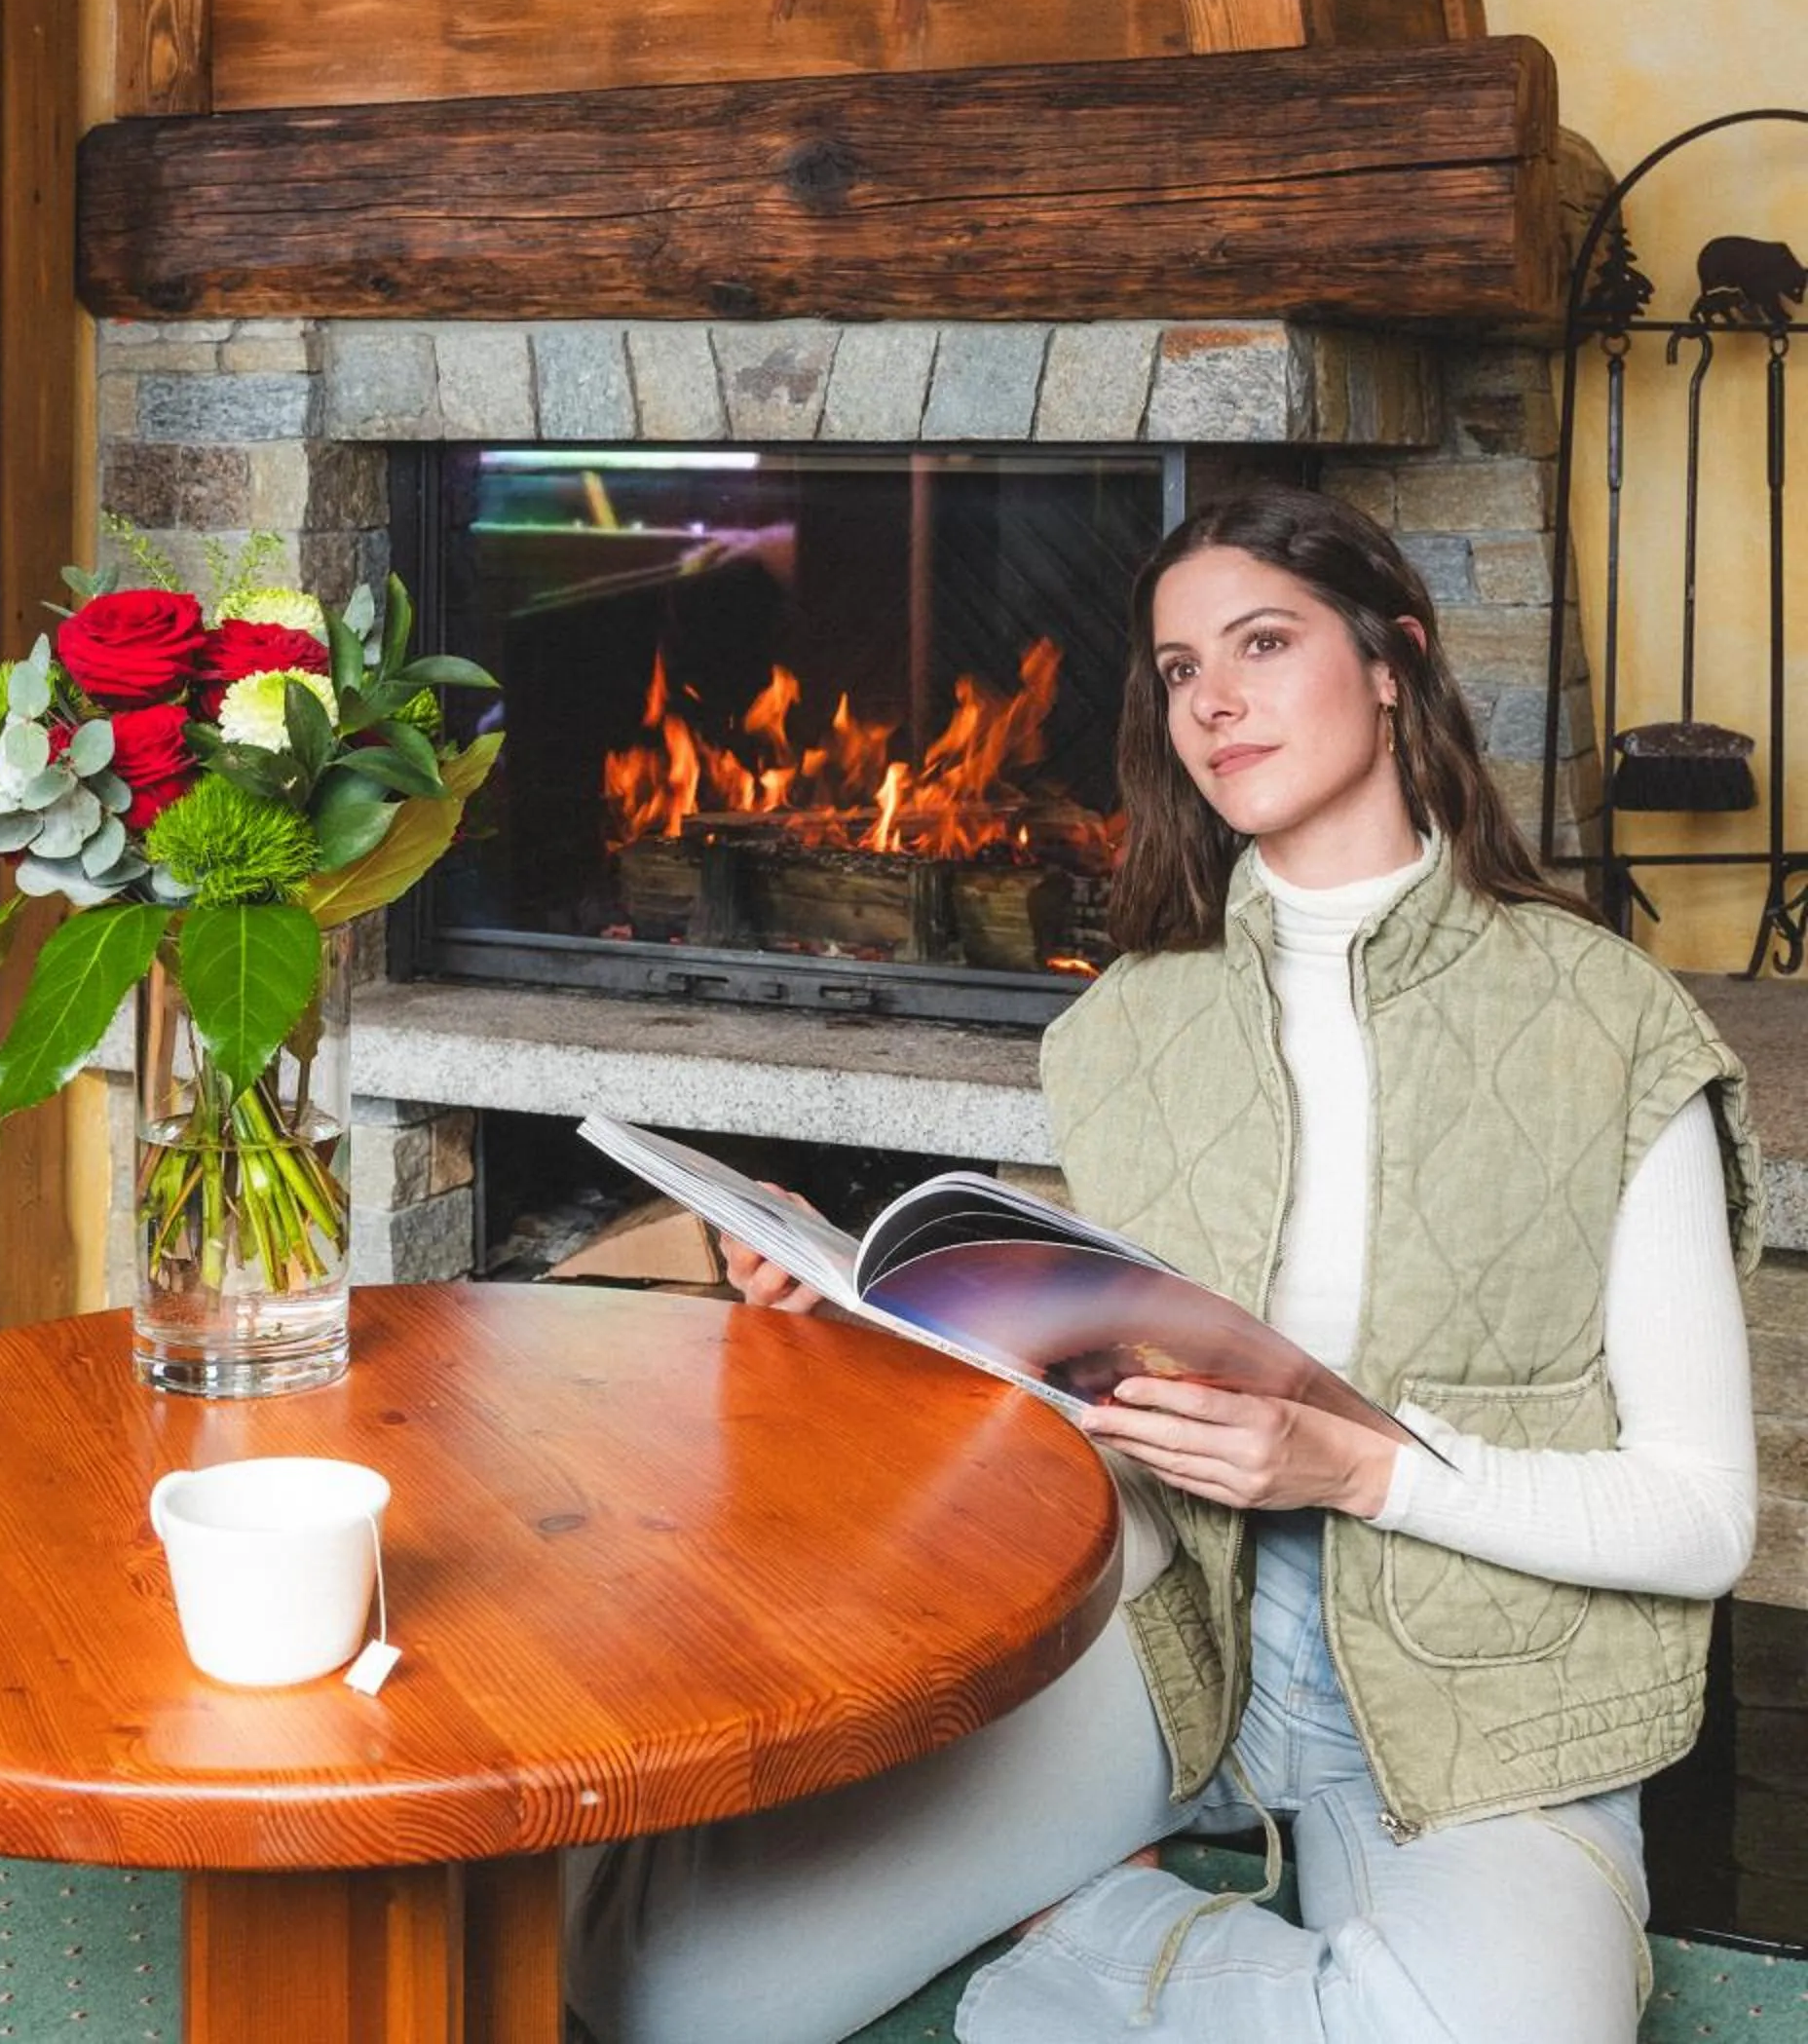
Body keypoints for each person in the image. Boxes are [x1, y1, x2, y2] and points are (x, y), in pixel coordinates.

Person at [566, 488, 1761, 2044]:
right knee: (667, 1995)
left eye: (1263, 643)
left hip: (1484, 1688)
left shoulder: (1611, 1028)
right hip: (1158, 1640)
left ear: (1392, 661)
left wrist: (1358, 1469)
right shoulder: (1127, 1024)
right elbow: (1085, 1383)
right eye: (1182, 669)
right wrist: (854, 1292)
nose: (1216, 699)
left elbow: (1702, 1517)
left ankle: (1084, 1927)